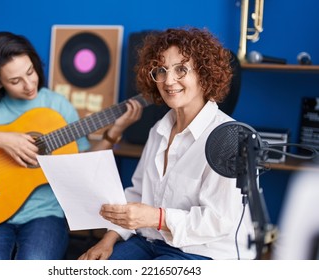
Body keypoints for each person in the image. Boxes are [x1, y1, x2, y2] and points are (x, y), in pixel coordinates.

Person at [0, 31, 143, 260]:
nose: (29, 84)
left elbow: (82, 166)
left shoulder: (56, 105)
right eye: (14, 81)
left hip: (45, 215)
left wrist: (114, 132)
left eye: (30, 72)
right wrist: (2, 140)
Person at [78, 27, 256, 260]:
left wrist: (156, 218)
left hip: (205, 251)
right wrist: (108, 240)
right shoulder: (159, 130)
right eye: (161, 71)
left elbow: (218, 220)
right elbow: (137, 192)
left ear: (204, 74)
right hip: (151, 240)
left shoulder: (228, 139)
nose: (169, 81)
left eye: (181, 69)